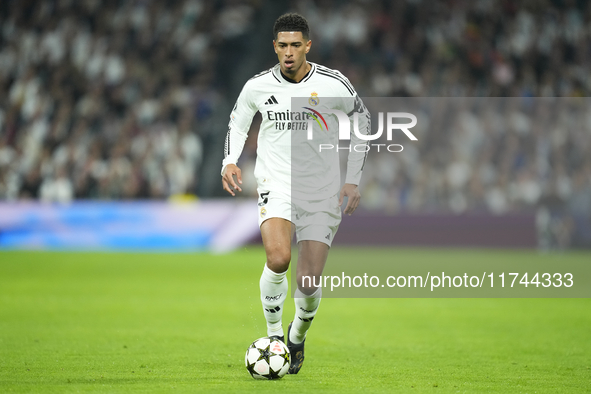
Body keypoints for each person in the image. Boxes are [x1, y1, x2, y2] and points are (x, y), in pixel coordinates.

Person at [221, 13, 369, 374]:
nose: (288, 52)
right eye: (282, 46)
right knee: (277, 259)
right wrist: (229, 160)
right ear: (275, 47)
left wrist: (353, 179)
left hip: (321, 191)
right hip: (276, 183)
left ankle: (296, 336)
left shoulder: (334, 84)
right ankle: (274, 340)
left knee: (307, 281)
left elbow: (363, 121)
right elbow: (238, 120)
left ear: (308, 46)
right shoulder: (257, 86)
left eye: (295, 45)